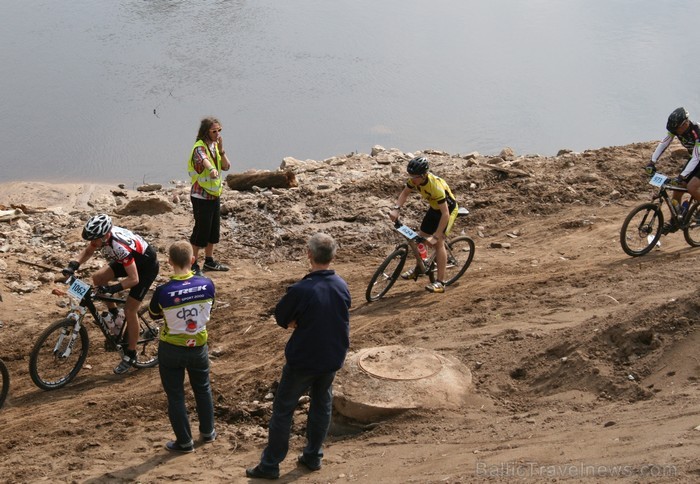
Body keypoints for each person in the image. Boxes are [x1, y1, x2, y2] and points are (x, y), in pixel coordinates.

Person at [246, 233, 351, 480]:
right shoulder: (341, 284)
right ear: (333, 256)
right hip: (332, 356)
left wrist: (297, 321)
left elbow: (282, 316)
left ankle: (271, 464)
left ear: (309, 255)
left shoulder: (301, 289)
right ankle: (313, 456)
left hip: (303, 359)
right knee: (321, 405)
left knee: (283, 410)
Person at [62, 214, 160, 374]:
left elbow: (134, 279)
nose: (92, 243)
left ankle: (131, 354)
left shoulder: (118, 247)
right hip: (130, 261)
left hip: (145, 268)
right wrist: (74, 265)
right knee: (98, 278)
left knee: (130, 310)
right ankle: (115, 315)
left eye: (95, 240)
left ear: (104, 236)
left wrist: (112, 289)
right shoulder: (103, 238)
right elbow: (88, 251)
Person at [147, 241, 216, 453]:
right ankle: (208, 432)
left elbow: (153, 314)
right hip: (199, 346)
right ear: (192, 260)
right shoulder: (207, 284)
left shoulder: (163, 291)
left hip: (171, 348)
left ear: (169, 262)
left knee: (176, 395)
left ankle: (184, 442)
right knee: (202, 388)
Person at [389, 156, 459, 294]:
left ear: (423, 175)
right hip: (434, 209)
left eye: (415, 177)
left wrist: (437, 235)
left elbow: (445, 214)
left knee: (438, 243)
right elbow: (404, 193)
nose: (412, 179)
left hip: (448, 212)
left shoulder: (435, 187)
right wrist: (396, 209)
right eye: (411, 176)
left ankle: (440, 283)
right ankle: (419, 268)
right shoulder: (415, 180)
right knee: (419, 238)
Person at [187, 116, 231, 275]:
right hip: (201, 196)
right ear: (206, 132)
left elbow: (226, 166)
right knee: (200, 231)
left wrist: (221, 149)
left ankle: (209, 261)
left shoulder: (215, 147)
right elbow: (205, 161)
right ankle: (193, 264)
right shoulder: (199, 147)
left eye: (219, 130)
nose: (217, 134)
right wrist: (211, 169)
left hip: (214, 194)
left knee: (213, 230)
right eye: (214, 131)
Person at [646, 107, 700, 214]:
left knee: (691, 187)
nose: (675, 132)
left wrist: (681, 176)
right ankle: (676, 219)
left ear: (685, 123)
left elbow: (696, 157)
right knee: (677, 188)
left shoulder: (697, 131)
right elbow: (664, 143)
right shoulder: (676, 129)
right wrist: (652, 161)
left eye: (676, 130)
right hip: (695, 159)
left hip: (697, 158)